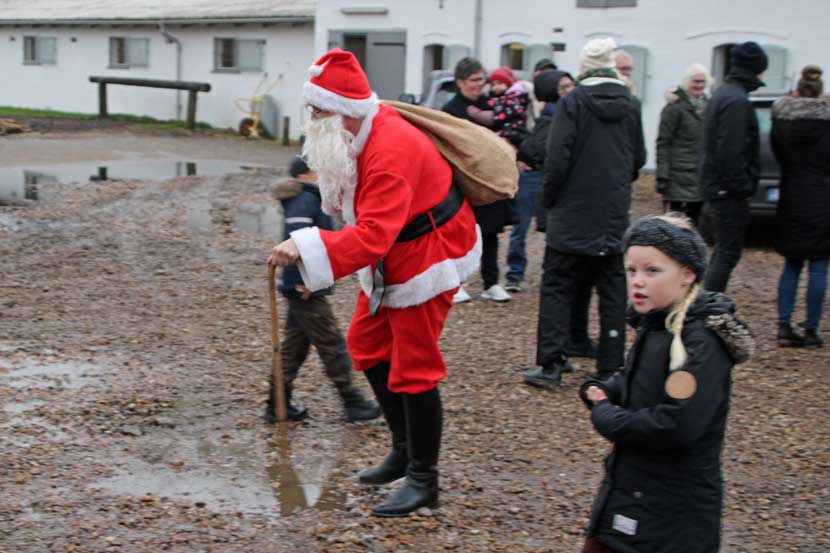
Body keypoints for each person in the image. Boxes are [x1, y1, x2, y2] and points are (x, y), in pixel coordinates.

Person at [268, 49, 479, 517]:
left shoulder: (389, 148)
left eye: (318, 110)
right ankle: (403, 451)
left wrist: (305, 246)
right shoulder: (359, 128)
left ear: (344, 109)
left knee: (415, 367)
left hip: (429, 250)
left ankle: (425, 479)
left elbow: (373, 236)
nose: (311, 119)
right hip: (396, 248)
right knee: (366, 345)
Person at [579, 214, 754, 553]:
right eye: (631, 271)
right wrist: (607, 388)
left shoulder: (699, 341)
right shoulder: (655, 326)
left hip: (672, 516)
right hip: (629, 495)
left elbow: (678, 422)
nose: (638, 282)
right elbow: (642, 380)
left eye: (652, 271)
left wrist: (607, 416)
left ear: (688, 275)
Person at [523, 37, 646, 388]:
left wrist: (548, 199)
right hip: (611, 210)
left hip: (573, 208)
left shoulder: (573, 102)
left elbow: (557, 157)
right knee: (610, 287)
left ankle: (551, 363)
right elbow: (638, 158)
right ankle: (610, 365)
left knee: (558, 285)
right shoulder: (631, 103)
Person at [264, 156, 381, 423]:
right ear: (305, 174)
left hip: (305, 285)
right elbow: (294, 243)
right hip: (305, 287)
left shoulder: (307, 199)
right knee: (332, 343)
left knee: (294, 349)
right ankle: (352, 401)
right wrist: (303, 281)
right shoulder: (304, 200)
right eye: (317, 170)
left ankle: (277, 404)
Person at [443, 57, 513, 303]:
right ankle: (456, 283)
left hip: (488, 179)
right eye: (474, 80)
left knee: (491, 233)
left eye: (481, 79)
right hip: (462, 181)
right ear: (460, 82)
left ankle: (491, 282)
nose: (479, 84)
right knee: (460, 234)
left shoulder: (491, 106)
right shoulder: (451, 110)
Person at [701, 41, 768, 293]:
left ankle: (705, 306)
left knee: (722, 252)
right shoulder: (736, 101)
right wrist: (742, 187)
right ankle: (707, 309)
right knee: (726, 253)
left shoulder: (724, 94)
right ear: (756, 70)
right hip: (727, 192)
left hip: (718, 188)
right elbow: (731, 151)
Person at [771, 65, 830, 348]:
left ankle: (783, 324)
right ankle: (810, 329)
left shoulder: (783, 122)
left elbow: (777, 152)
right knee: (819, 266)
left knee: (791, 263)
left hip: (792, 194)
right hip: (823, 197)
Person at [655, 63, 711, 225]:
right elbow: (664, 142)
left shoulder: (709, 106)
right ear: (688, 82)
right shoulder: (674, 108)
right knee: (674, 221)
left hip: (699, 173)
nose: (699, 85)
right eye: (696, 81)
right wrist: (662, 175)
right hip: (677, 175)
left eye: (702, 82)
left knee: (696, 221)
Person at [466, 66, 530, 147]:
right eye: (493, 84)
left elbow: (496, 115)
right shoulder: (505, 97)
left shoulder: (513, 98)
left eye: (499, 83)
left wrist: (476, 113)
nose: (496, 87)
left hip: (514, 134)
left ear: (508, 83)